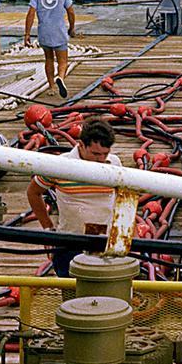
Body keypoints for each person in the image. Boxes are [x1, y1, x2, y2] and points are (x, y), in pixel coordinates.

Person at [26, 118, 122, 277]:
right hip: (70, 243)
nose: (101, 159)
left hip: (106, 242)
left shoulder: (114, 163)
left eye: (105, 153)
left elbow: (122, 198)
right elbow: (33, 192)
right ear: (81, 145)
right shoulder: (60, 166)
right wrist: (48, 230)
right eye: (96, 153)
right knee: (72, 294)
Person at [23, 0, 74, 98]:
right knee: (63, 61)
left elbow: (30, 14)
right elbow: (70, 11)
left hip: (44, 32)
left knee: (49, 59)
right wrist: (72, 27)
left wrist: (27, 34)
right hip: (59, 31)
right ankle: (61, 77)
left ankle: (51, 86)